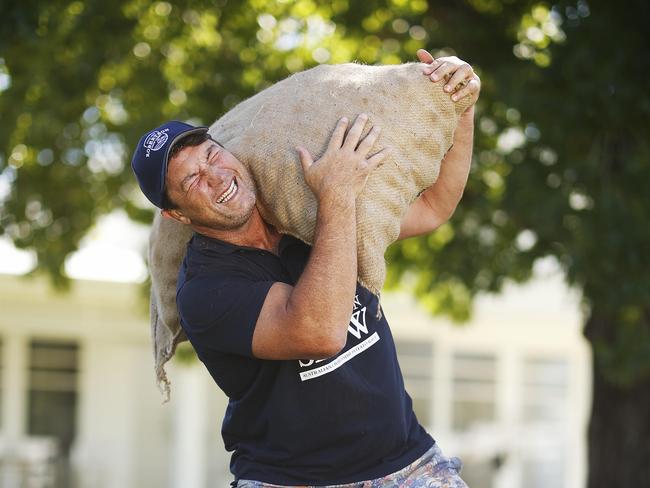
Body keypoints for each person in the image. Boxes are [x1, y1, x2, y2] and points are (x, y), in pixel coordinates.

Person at [132, 49, 480, 488]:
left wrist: (459, 108)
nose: (216, 177)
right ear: (177, 215)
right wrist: (337, 194)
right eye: (192, 181)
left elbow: (432, 208)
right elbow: (318, 330)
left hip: (408, 464)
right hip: (293, 481)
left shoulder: (303, 215)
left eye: (211, 157)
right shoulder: (204, 291)